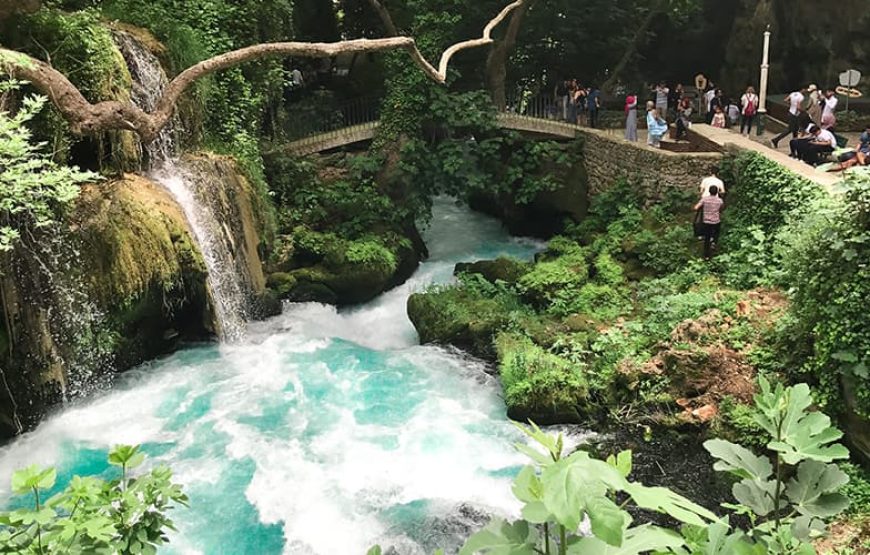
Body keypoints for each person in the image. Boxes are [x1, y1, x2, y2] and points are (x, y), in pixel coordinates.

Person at [694, 185, 724, 260]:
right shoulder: (720, 200)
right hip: (716, 221)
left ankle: (706, 255)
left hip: (706, 221)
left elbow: (696, 207)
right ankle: (714, 242)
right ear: (717, 192)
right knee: (717, 232)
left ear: (709, 191)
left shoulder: (704, 199)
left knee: (707, 238)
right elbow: (721, 209)